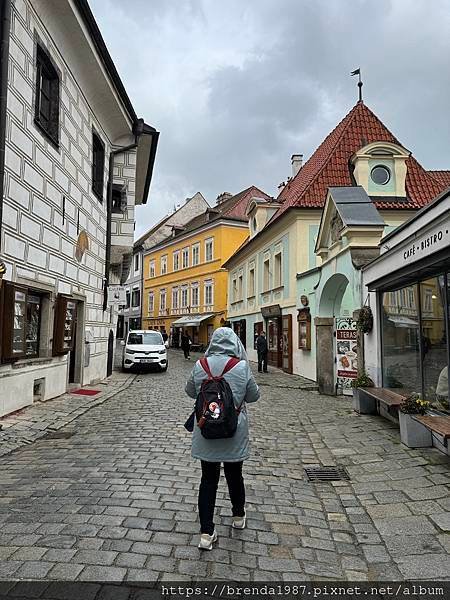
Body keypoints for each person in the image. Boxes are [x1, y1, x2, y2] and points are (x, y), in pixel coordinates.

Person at [185, 327, 259, 550]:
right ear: (234, 343)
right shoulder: (241, 366)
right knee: (235, 475)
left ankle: (206, 533)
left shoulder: (201, 365)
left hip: (206, 430)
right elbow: (254, 396)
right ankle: (238, 516)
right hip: (233, 431)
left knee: (208, 480)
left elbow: (189, 392)